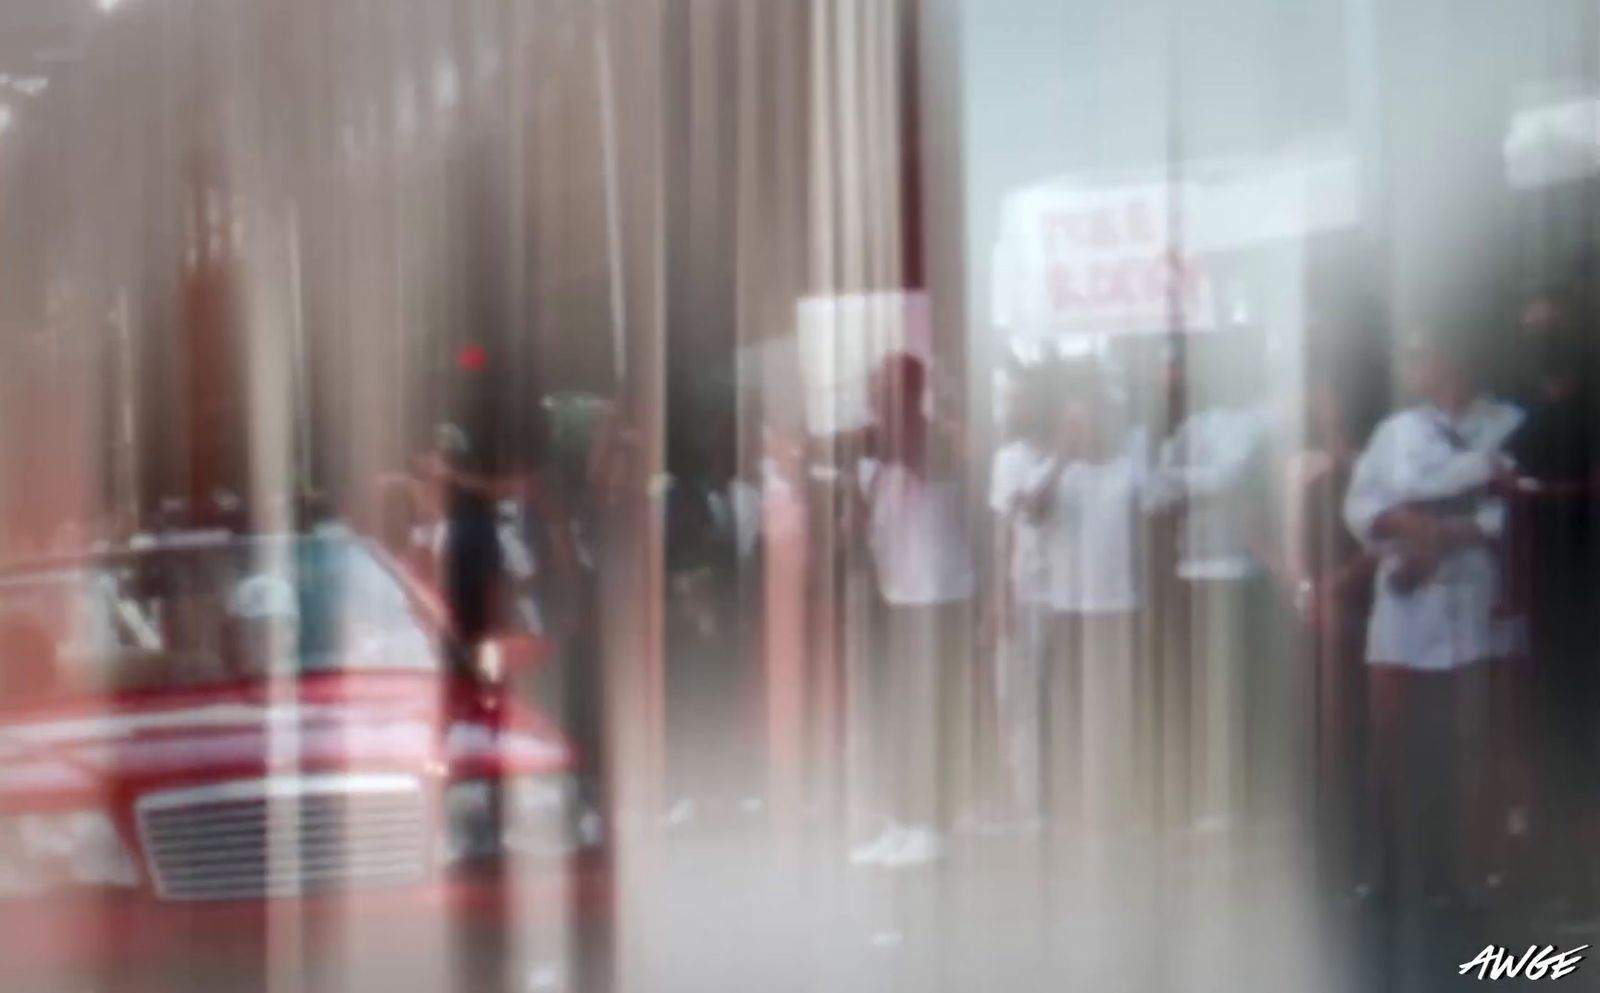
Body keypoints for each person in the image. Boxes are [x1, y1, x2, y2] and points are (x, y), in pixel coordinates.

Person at [1343, 325, 1522, 907]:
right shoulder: (1395, 430)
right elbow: (1361, 504)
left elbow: (1515, 508)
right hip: (1405, 604)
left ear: (1455, 355)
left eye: (1422, 352)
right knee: (1390, 740)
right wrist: (1403, 524)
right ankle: (1388, 871)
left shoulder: (1509, 423)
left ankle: (1476, 872)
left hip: (1479, 601)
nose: (1411, 363)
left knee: (1477, 743)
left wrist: (1447, 529)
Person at [848, 352, 975, 868]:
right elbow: (861, 523)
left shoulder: (934, 439)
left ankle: (933, 826)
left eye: (881, 386)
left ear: (907, 392)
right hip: (895, 595)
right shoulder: (869, 451)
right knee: (898, 713)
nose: (870, 394)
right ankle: (902, 820)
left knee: (930, 711)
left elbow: (927, 461)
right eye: (870, 385)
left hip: (939, 595)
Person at [1016, 361, 1148, 838]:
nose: (1077, 430)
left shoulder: (1128, 471)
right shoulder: (1051, 473)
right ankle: (1073, 806)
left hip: (1117, 608)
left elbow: (1146, 535)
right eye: (1068, 423)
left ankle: (1115, 805)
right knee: (1070, 710)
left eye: (1084, 420)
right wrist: (1061, 459)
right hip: (1069, 609)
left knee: (1113, 710)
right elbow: (1029, 511)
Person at [1148, 334, 1272, 830]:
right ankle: (1209, 795)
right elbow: (1157, 492)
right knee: (1198, 686)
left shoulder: (1249, 425)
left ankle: (1243, 795)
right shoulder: (1186, 428)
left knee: (1236, 688)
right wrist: (1187, 479)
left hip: (1237, 571)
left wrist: (1184, 478)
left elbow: (1229, 477)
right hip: (1192, 570)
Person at [1503, 319, 1600, 924]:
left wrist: (1529, 490)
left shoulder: (1537, 425)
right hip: (1564, 603)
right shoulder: (1549, 422)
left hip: (1560, 605)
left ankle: (1573, 880)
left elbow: (1516, 492)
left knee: (1566, 737)